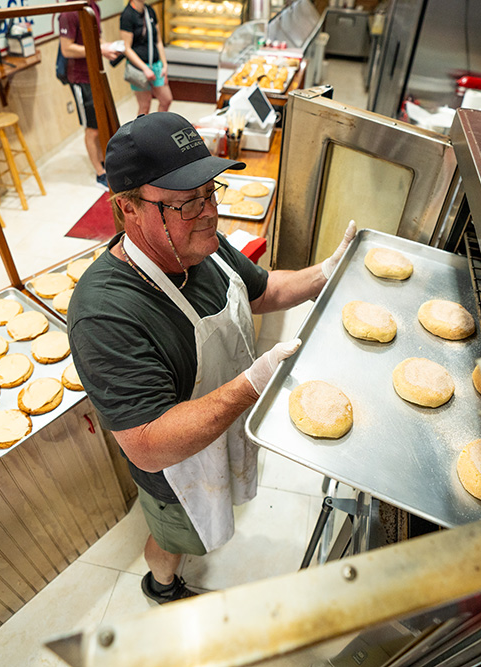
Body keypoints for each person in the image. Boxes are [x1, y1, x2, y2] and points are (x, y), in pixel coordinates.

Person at [67, 113, 356, 605]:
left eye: (210, 192)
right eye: (185, 203)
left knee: (218, 509)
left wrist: (326, 272)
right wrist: (252, 384)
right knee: (177, 536)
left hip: (222, 436)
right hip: (175, 472)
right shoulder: (106, 314)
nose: (208, 213)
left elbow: (262, 291)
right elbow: (147, 444)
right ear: (128, 209)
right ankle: (161, 582)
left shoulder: (204, 245)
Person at [59, 0, 121, 187]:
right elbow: (67, 48)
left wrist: (107, 48)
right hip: (79, 78)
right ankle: (99, 172)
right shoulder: (69, 13)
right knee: (92, 129)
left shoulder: (93, 7)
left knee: (103, 122)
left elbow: (96, 39)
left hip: (95, 72)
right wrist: (99, 49)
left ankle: (105, 162)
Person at [120, 0, 172, 116]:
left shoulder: (149, 11)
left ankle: (158, 127)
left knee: (166, 99)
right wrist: (145, 68)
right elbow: (126, 48)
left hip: (156, 64)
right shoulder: (127, 15)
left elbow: (158, 41)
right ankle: (141, 133)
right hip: (138, 68)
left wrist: (164, 64)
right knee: (144, 105)